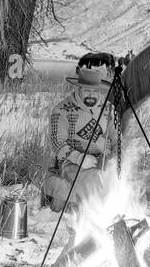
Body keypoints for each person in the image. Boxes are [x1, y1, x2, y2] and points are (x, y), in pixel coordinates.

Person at [42, 57, 119, 212]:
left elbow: (117, 138)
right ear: (78, 89)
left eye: (95, 91)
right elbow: (57, 142)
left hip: (102, 158)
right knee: (95, 179)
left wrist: (115, 159)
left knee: (118, 180)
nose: (91, 95)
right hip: (71, 162)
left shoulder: (108, 109)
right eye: (87, 90)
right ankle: (93, 214)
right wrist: (79, 158)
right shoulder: (62, 109)